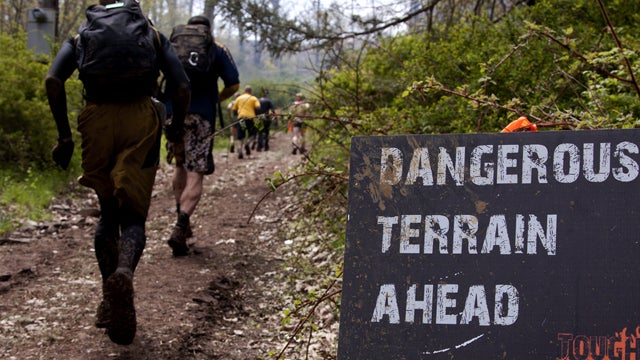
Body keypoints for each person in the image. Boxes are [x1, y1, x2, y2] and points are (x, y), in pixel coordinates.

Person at [45, 0, 190, 346]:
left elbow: (53, 79)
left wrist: (64, 135)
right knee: (134, 216)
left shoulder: (81, 36)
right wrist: (175, 129)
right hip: (141, 119)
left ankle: (108, 293)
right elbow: (181, 84)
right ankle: (124, 272)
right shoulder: (152, 34)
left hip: (96, 120)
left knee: (108, 210)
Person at [165, 15, 240, 256]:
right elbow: (234, 84)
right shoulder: (216, 48)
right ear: (208, 31)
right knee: (195, 172)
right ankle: (181, 224)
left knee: (179, 166)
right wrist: (216, 98)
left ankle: (181, 217)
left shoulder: (173, 43)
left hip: (173, 114)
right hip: (201, 117)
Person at [231, 85, 261, 159]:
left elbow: (234, 110)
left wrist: (238, 114)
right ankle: (247, 143)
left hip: (241, 119)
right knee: (252, 133)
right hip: (251, 119)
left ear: (244, 91)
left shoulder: (239, 98)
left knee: (241, 134)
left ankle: (240, 150)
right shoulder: (253, 98)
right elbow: (258, 108)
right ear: (251, 91)